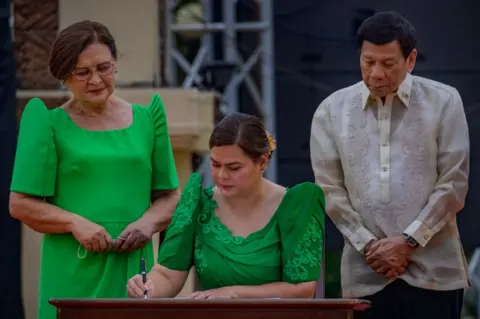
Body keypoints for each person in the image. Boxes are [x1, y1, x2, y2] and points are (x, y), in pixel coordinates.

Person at [9, 20, 180, 319]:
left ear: (115, 64)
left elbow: (170, 197)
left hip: (133, 275)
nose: (96, 80)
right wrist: (75, 223)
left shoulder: (147, 119)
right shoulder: (47, 123)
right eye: (82, 72)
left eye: (104, 67)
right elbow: (21, 204)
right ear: (64, 76)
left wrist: (148, 223)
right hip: (72, 273)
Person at [310, 11, 470, 319]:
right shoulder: (331, 110)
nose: (376, 73)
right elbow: (328, 188)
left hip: (435, 272)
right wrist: (370, 245)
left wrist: (409, 241)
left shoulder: (444, 101)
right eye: (368, 62)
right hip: (365, 272)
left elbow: (454, 183)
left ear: (410, 60)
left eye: (388, 63)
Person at [127, 113, 325, 299]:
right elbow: (168, 274)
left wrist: (232, 293)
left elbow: (302, 289)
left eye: (234, 167)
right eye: (215, 165)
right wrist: (147, 286)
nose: (222, 176)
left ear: (262, 162)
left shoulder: (296, 206)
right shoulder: (197, 204)